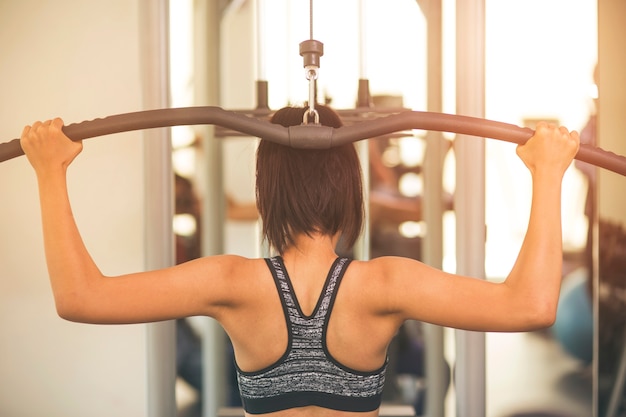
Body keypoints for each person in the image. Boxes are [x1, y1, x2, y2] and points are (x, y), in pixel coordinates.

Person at [20, 105, 579, 417]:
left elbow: (80, 298)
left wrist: (49, 172)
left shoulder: (231, 282)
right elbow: (531, 305)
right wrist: (549, 175)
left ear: (267, 193)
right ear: (349, 190)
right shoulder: (385, 284)